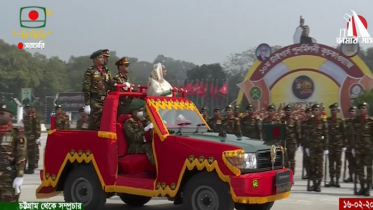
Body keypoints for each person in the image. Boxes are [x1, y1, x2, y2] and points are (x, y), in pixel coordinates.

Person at [0, 102, 26, 202]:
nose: (0, 116)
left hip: (8, 179)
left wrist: (19, 176)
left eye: (2, 114)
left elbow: (21, 155)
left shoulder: (16, 133)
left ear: (11, 116)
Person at [82, 50, 113, 130]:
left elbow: (111, 84)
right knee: (95, 123)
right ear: (95, 59)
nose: (102, 59)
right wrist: (87, 104)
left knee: (104, 122)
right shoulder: (90, 71)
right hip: (95, 100)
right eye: (100, 57)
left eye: (103, 57)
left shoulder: (106, 71)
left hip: (105, 100)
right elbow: (86, 87)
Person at [124, 100, 155, 166]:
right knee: (149, 147)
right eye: (139, 111)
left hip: (143, 142)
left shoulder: (142, 120)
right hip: (134, 146)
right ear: (134, 111)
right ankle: (156, 166)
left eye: (142, 110)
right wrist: (145, 129)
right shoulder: (128, 123)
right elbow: (135, 137)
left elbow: (149, 125)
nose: (141, 112)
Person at [305, 104, 328, 192]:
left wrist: (326, 148)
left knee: (319, 166)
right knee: (312, 166)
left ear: (319, 111)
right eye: (314, 110)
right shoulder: (309, 122)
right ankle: (314, 184)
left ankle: (318, 184)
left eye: (317, 110)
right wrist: (306, 146)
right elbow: (307, 135)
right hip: (311, 147)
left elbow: (326, 136)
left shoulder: (323, 122)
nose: (315, 111)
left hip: (319, 148)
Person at [352, 102, 373, 196]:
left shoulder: (371, 121)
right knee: (359, 169)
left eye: (363, 108)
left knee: (369, 169)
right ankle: (362, 186)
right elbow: (353, 135)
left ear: (367, 109)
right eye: (360, 108)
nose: (361, 109)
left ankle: (368, 188)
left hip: (368, 149)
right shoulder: (355, 121)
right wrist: (353, 147)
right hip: (358, 149)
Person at [325, 103, 346, 188]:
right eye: (332, 110)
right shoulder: (327, 121)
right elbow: (325, 133)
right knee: (331, 163)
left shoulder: (340, 121)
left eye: (334, 110)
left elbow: (344, 133)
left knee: (338, 163)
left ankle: (337, 180)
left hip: (338, 145)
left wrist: (344, 145)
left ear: (337, 111)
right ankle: (331, 180)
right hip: (330, 145)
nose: (333, 112)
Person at [280, 104, 300, 175]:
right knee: (284, 159)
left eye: (289, 110)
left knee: (291, 160)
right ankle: (285, 174)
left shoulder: (294, 120)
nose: (288, 111)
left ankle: (291, 174)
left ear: (291, 111)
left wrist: (298, 143)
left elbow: (297, 132)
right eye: (286, 110)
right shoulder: (282, 120)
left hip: (291, 142)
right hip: (283, 142)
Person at [23, 104, 41, 174]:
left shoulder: (35, 117)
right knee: (25, 153)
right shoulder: (26, 117)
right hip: (26, 137)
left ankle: (31, 167)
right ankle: (24, 167)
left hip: (32, 138)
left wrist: (37, 137)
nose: (27, 109)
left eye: (28, 108)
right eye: (26, 108)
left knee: (32, 154)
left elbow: (37, 127)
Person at [344, 106, 357, 183]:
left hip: (357, 145)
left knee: (357, 162)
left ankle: (357, 177)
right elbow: (344, 133)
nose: (352, 112)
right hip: (348, 145)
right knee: (350, 162)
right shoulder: (346, 122)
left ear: (356, 112)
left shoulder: (358, 121)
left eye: (353, 111)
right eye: (351, 111)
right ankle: (351, 176)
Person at [300, 107, 312, 179]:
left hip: (312, 144)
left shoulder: (314, 122)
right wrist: (301, 144)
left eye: (309, 113)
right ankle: (308, 173)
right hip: (305, 144)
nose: (308, 114)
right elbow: (301, 133)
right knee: (306, 160)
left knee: (313, 160)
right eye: (307, 113)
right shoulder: (303, 123)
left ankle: (313, 173)